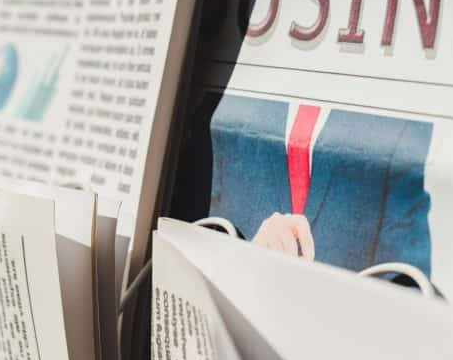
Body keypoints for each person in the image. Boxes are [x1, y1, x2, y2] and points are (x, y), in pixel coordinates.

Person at [179, 92, 433, 276]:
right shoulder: (224, 105)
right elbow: (187, 246)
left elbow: (410, 282)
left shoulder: (404, 123)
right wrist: (245, 263)